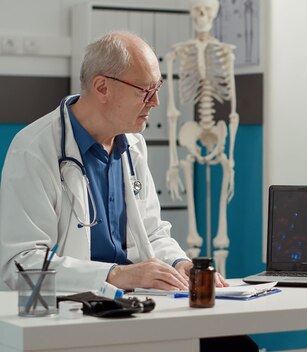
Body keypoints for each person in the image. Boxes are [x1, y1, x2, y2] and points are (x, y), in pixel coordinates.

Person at [0, 31, 257, 351]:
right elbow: (21, 264)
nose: (156, 102)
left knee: (237, 345)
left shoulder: (133, 144)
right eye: (145, 91)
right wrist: (116, 275)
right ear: (102, 87)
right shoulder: (34, 150)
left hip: (134, 307)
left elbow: (152, 232)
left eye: (158, 89)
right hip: (72, 312)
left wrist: (179, 263)